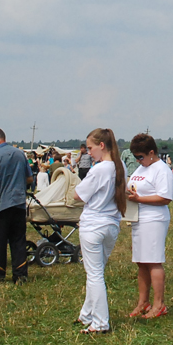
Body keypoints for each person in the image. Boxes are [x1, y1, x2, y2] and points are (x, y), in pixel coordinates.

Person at [73, 128, 127, 333]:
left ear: (101, 146)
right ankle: (87, 314)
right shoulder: (120, 166)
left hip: (93, 225)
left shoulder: (99, 169)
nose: (89, 152)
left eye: (90, 148)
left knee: (94, 275)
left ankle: (100, 322)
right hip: (111, 225)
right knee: (97, 272)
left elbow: (79, 195)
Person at [127, 133, 173, 319]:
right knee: (141, 261)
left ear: (152, 153)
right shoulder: (141, 168)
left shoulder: (161, 170)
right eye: (136, 157)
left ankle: (159, 304)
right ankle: (143, 302)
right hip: (139, 218)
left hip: (154, 219)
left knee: (153, 261)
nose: (138, 161)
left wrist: (139, 199)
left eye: (141, 157)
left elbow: (165, 197)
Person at [0, 128, 31, 283]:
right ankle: (20, 275)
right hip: (19, 204)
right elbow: (29, 178)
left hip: (1, 206)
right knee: (19, 241)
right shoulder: (20, 154)